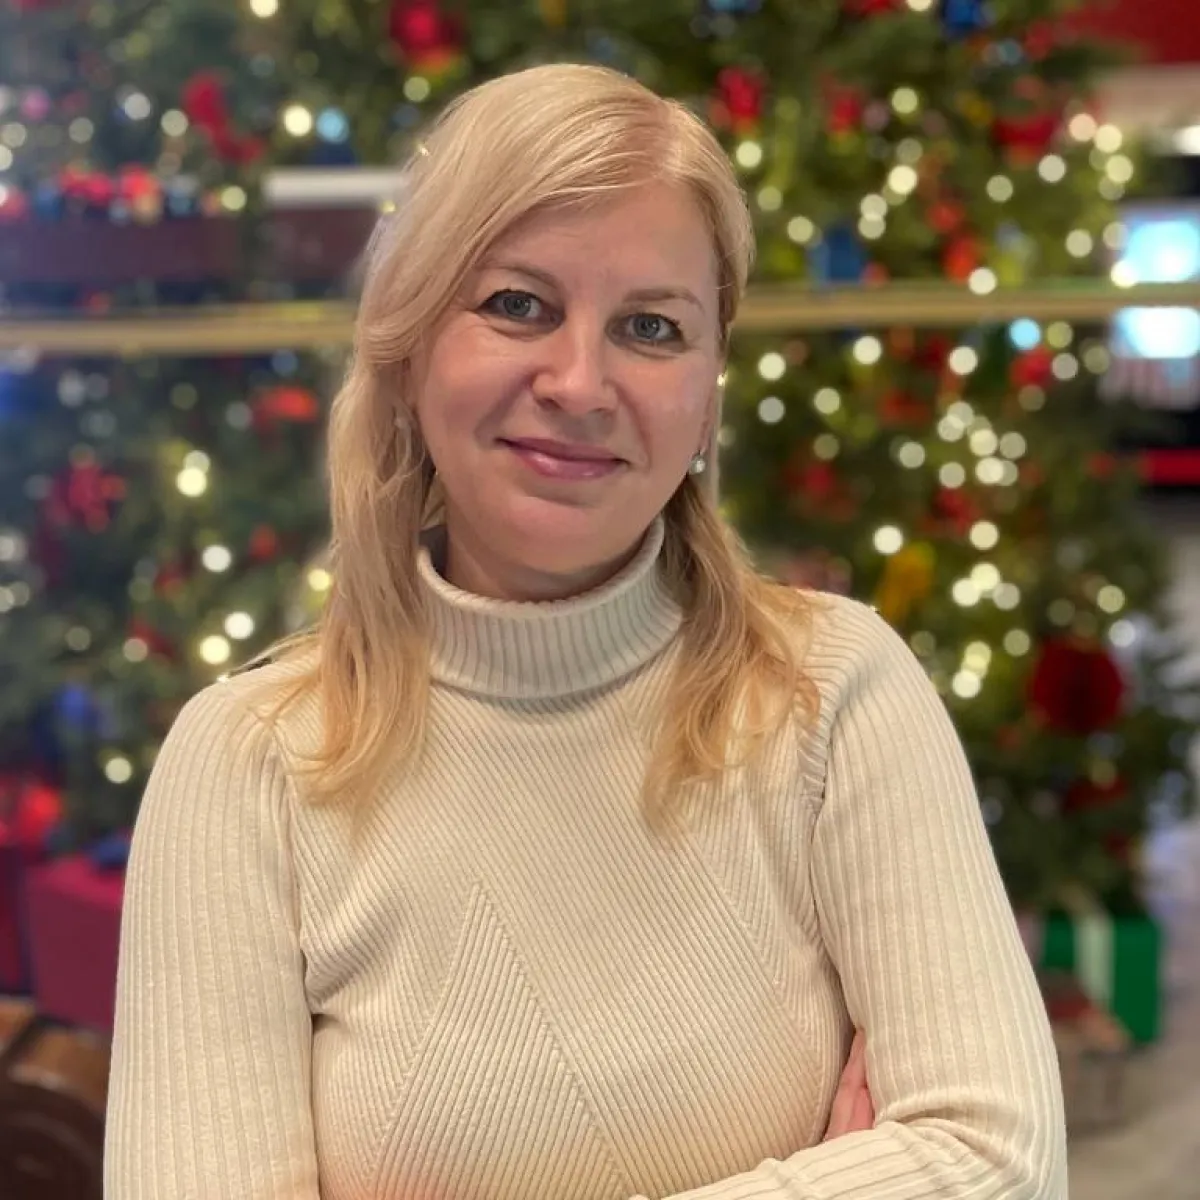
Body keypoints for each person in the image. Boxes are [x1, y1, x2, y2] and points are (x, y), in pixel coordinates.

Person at [104, 62, 1067, 1200]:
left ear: (707, 393)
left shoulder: (834, 694)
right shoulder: (247, 767)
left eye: (651, 327)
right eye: (518, 304)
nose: (578, 383)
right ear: (408, 349)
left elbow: (998, 1162)